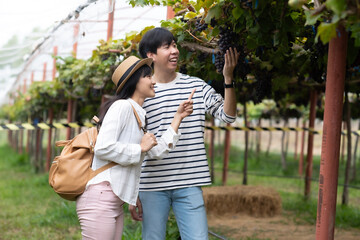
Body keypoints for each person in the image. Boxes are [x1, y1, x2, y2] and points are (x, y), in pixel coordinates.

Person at [130, 27, 239, 239]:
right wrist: (132, 191)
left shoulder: (196, 86)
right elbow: (135, 145)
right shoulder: (143, 93)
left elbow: (228, 117)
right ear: (150, 55)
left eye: (174, 45)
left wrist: (228, 79)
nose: (175, 51)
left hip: (189, 183)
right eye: (167, 47)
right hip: (152, 185)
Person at [76, 56, 195, 240]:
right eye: (148, 77)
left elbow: (155, 152)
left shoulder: (139, 115)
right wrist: (139, 149)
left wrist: (178, 117)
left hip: (113, 201)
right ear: (134, 81)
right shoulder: (121, 107)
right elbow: (103, 147)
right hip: (101, 198)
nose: (154, 81)